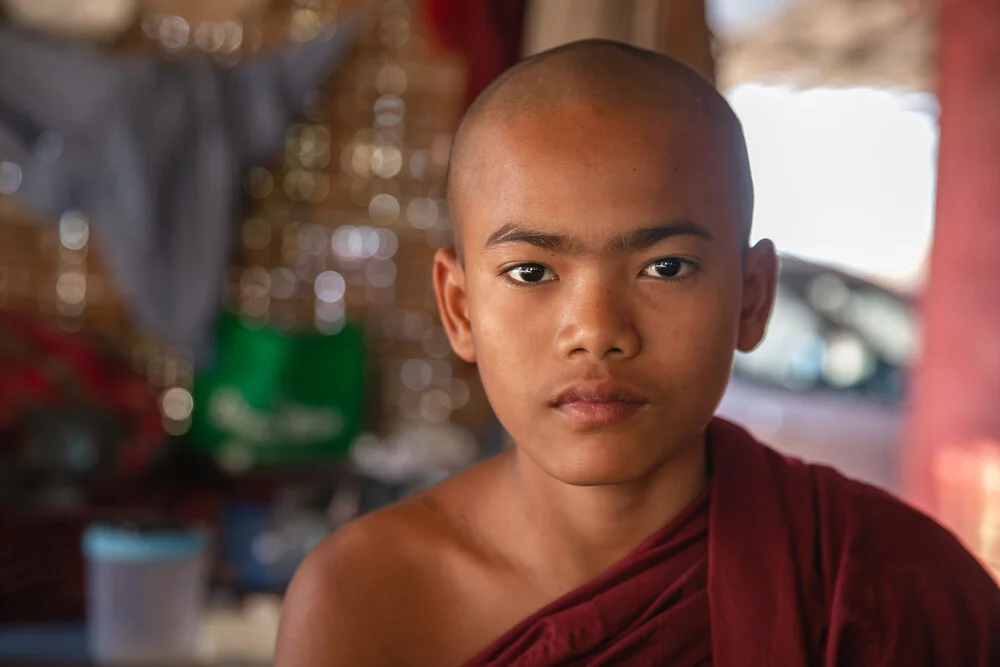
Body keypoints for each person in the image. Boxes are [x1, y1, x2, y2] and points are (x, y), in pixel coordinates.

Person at [275, 39, 1000, 667]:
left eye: (667, 266)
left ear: (752, 299)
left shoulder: (893, 585)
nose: (597, 331)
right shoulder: (366, 596)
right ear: (461, 308)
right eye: (531, 272)